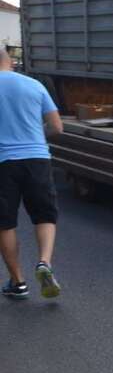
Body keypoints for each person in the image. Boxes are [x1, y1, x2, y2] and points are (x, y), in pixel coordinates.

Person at [0, 48, 63, 300]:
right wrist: (35, 137)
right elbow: (57, 127)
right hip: (37, 158)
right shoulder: (34, 85)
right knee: (44, 215)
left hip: (4, 162)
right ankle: (44, 262)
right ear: (10, 61)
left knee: (5, 223)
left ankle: (18, 283)